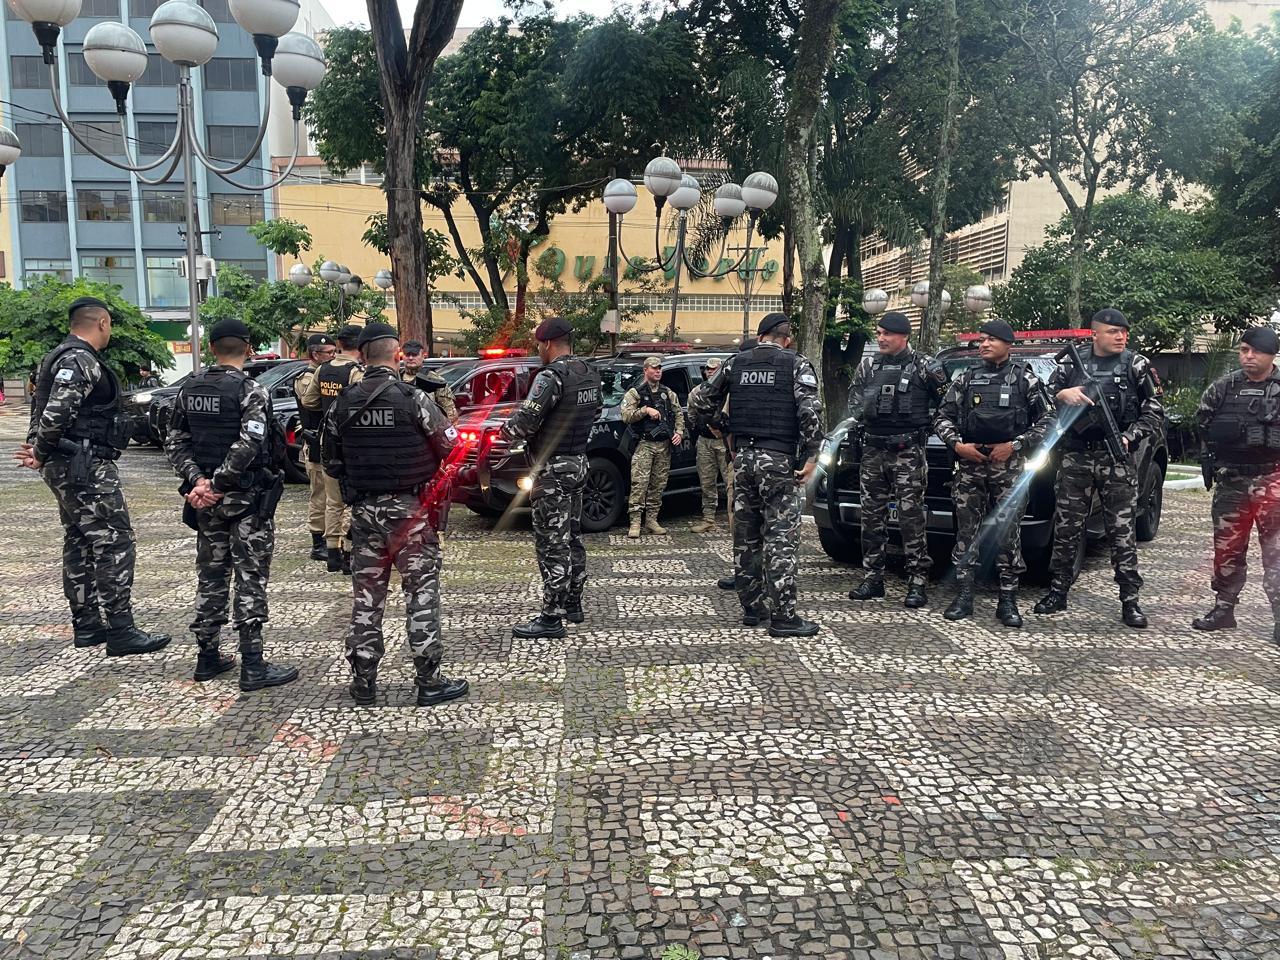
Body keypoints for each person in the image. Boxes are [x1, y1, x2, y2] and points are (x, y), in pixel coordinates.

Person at [321, 321, 468, 707]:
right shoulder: (414, 399)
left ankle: (364, 681)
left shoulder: (343, 402)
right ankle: (428, 680)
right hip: (410, 513)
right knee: (421, 594)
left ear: (362, 354)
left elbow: (330, 462)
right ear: (397, 353)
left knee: (367, 597)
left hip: (364, 513)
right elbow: (452, 448)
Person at [12, 297, 170, 656]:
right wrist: (40, 450)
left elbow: (41, 412)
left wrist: (39, 448)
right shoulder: (80, 359)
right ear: (102, 323)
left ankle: (87, 625)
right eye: (110, 325)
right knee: (114, 540)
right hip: (82, 465)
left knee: (81, 539)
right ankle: (120, 629)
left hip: (68, 463)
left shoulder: (56, 356)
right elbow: (56, 413)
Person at [165, 318, 298, 690]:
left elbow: (175, 440)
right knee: (250, 577)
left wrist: (198, 482)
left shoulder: (189, 388)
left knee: (211, 575)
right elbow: (250, 443)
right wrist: (219, 483)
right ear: (249, 347)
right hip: (245, 500)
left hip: (205, 501)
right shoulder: (252, 390)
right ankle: (252, 664)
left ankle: (207, 656)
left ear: (211, 347)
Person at [688, 313, 824, 637]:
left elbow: (698, 401)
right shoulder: (796, 364)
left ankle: (752, 609)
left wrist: (722, 427)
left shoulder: (736, 363)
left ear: (760, 336)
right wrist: (811, 456)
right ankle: (784, 617)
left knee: (746, 537)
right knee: (781, 539)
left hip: (743, 460)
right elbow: (811, 414)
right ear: (786, 339)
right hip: (778, 461)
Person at [1034, 308, 1164, 627]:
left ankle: (1130, 600)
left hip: (1116, 458)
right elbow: (1045, 396)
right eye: (1113, 331)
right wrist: (1063, 394)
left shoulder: (1137, 364)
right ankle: (1058, 590)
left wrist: (1129, 437)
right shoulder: (1071, 362)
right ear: (1095, 333)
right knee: (1067, 528)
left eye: (1124, 332)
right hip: (1075, 456)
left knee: (1121, 532)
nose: (1121, 337)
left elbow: (1156, 409)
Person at [934, 319, 1055, 626]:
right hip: (970, 467)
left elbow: (1048, 422)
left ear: (1008, 344)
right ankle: (964, 596)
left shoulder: (1024, 381)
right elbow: (942, 418)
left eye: (991, 340)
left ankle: (1007, 599)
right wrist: (958, 446)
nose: (984, 345)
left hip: (1008, 468)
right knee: (966, 534)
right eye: (981, 340)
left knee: (1008, 534)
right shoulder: (966, 380)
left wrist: (1015, 445)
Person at [499, 317, 603, 639]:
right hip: (579, 464)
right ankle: (573, 604)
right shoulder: (588, 372)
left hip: (553, 471)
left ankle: (551, 617)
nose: (538, 350)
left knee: (551, 544)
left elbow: (523, 424)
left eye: (538, 345)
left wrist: (506, 430)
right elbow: (596, 413)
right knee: (572, 536)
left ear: (546, 343)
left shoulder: (550, 377)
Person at [845, 311, 948, 608]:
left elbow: (947, 406)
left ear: (904, 336)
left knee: (910, 517)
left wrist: (928, 429)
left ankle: (917, 580)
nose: (881, 338)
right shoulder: (869, 365)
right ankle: (872, 578)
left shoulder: (925, 366)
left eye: (887, 334)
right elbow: (854, 402)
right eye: (878, 333)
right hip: (874, 451)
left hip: (908, 453)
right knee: (871, 517)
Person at [1191, 326, 1280, 643]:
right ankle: (1223, 610)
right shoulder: (1223, 388)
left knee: (1276, 553)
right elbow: (1202, 424)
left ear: (1272, 354)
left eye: (1255, 351)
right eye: (1243, 350)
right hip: (1232, 483)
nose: (1248, 356)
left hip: (1273, 480)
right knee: (1226, 550)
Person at [300, 323, 364, 574]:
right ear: (360, 346)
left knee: (332, 501)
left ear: (339, 345)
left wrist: (328, 409)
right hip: (350, 444)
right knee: (354, 500)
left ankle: (331, 554)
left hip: (327, 443)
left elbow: (308, 401)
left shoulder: (323, 369)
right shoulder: (356, 371)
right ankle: (349, 552)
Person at [620, 356, 685, 538]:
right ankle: (635, 522)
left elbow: (679, 413)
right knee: (640, 484)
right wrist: (645, 410)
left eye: (659, 368)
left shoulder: (668, 392)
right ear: (645, 371)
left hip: (663, 445)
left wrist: (679, 432)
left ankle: (652, 520)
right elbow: (626, 415)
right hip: (644, 444)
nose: (658, 371)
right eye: (654, 368)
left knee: (658, 484)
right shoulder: (636, 393)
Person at [716, 338, 756, 592]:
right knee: (739, 520)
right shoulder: (738, 385)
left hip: (749, 459)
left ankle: (753, 574)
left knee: (750, 521)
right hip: (752, 460)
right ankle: (745, 571)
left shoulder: (738, 383)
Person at [295, 333, 336, 561]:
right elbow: (311, 402)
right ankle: (317, 540)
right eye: (327, 353)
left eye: (333, 352)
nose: (331, 357)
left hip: (328, 441)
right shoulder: (306, 378)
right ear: (314, 354)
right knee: (319, 494)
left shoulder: (328, 374)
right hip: (314, 443)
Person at [689, 356, 733, 534]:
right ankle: (708, 519)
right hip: (705, 441)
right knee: (706, 482)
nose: (711, 372)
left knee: (731, 482)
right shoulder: (697, 392)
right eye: (708, 369)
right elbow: (691, 415)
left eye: (715, 369)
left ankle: (734, 520)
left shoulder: (729, 391)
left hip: (724, 442)